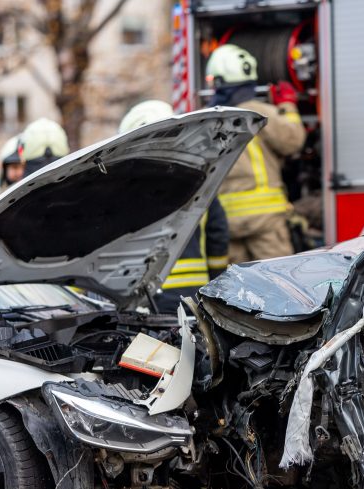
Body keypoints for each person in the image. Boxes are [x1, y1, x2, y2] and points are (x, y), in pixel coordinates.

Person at [118, 99, 229, 313]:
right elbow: (218, 233)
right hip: (197, 297)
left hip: (148, 302)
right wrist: (216, 280)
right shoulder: (200, 181)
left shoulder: (125, 190)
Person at [205, 43, 306, 263]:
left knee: (234, 292)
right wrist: (288, 107)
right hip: (266, 222)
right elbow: (292, 142)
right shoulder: (259, 113)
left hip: (227, 223)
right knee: (277, 285)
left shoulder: (204, 121)